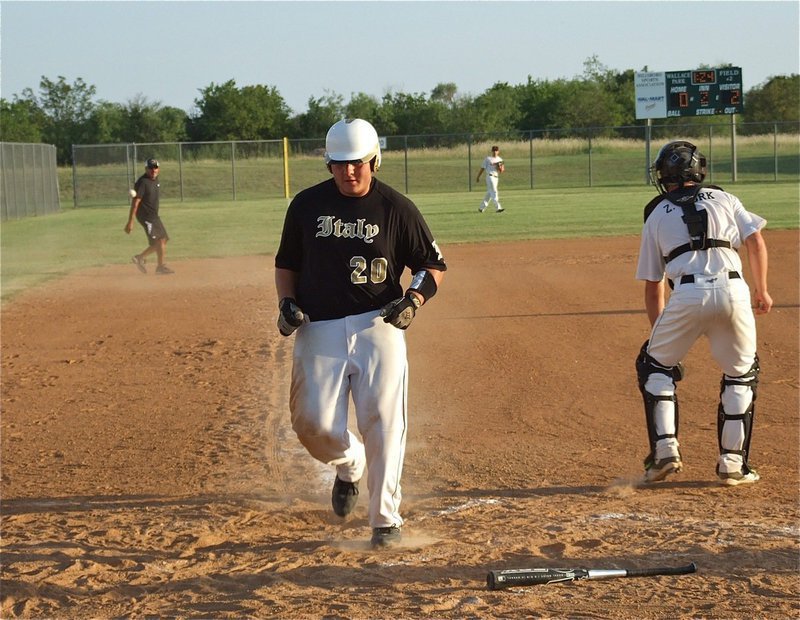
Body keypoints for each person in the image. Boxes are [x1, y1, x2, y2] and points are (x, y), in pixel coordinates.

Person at [274, 119, 446, 548]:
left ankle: (385, 519)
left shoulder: (396, 208)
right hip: (320, 327)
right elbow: (287, 264)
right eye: (340, 164)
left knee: (385, 422)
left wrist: (413, 301)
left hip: (379, 325)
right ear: (329, 164)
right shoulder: (306, 205)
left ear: (375, 160)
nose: (350, 172)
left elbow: (432, 267)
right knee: (312, 423)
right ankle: (350, 465)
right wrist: (286, 303)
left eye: (359, 163)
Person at [635, 140, 771, 486]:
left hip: (688, 293)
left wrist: (661, 340)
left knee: (654, 366)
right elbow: (755, 240)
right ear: (700, 172)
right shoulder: (726, 199)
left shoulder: (655, 214)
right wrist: (762, 290)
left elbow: (654, 286)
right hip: (735, 291)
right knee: (741, 373)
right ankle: (733, 464)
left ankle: (665, 451)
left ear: (665, 177)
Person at [125, 158, 174, 275]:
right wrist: (130, 221)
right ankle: (159, 266)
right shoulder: (142, 182)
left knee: (163, 240)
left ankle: (141, 258)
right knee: (159, 241)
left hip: (154, 216)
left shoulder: (155, 179)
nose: (153, 170)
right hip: (146, 217)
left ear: (158, 169)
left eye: (155, 167)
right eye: (151, 168)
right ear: (146, 169)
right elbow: (135, 202)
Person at [476, 145, 505, 213]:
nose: (495, 152)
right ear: (492, 151)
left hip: (496, 177)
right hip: (490, 176)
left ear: (498, 151)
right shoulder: (488, 159)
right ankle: (498, 208)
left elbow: (502, 171)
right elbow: (482, 168)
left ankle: (481, 208)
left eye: (496, 150)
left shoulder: (500, 159)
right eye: (494, 150)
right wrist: (478, 176)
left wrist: (499, 167)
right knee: (494, 191)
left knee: (489, 193)